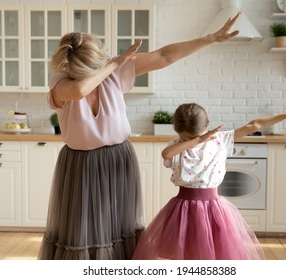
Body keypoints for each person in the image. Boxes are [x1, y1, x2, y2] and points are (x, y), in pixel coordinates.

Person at [37, 12, 242, 260]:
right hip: (81, 164)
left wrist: (211, 38)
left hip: (118, 158)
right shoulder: (60, 82)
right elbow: (80, 90)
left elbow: (163, 56)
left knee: (119, 225)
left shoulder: (114, 74)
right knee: (84, 228)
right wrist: (113, 63)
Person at [132, 100, 286, 260]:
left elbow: (254, 125)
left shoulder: (221, 139)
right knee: (185, 253)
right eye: (188, 137)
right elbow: (166, 154)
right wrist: (197, 140)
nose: (195, 140)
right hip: (184, 208)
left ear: (207, 125)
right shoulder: (176, 147)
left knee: (213, 252)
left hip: (213, 208)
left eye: (197, 136)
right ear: (177, 131)